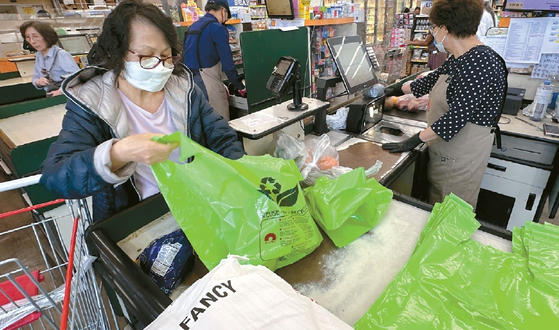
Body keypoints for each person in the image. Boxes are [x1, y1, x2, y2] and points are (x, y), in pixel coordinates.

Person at [39, 0, 245, 222]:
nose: (160, 66)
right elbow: (56, 177)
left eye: (166, 56)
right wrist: (118, 153)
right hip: (142, 221)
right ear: (117, 53)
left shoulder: (184, 89)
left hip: (197, 208)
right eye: (147, 57)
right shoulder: (94, 102)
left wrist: (243, 180)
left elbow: (222, 137)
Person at [382, 0, 507, 209]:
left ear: (445, 29)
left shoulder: (481, 62)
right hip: (447, 151)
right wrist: (392, 90)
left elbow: (455, 118)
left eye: (434, 27)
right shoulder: (460, 57)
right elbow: (431, 81)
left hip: (462, 154)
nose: (433, 33)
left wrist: (412, 141)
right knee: (438, 200)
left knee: (450, 211)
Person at [183, 0, 246, 121]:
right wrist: (239, 86)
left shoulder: (193, 26)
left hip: (189, 81)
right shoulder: (217, 28)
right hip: (207, 82)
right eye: (227, 17)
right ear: (223, 11)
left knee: (201, 121)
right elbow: (227, 63)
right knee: (219, 121)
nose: (225, 21)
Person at [20, 21, 79, 97]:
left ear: (46, 36)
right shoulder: (39, 55)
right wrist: (38, 82)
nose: (32, 41)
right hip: (52, 94)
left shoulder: (61, 54)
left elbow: (77, 77)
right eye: (27, 37)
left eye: (35, 36)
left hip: (68, 95)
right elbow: (35, 77)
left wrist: (62, 91)